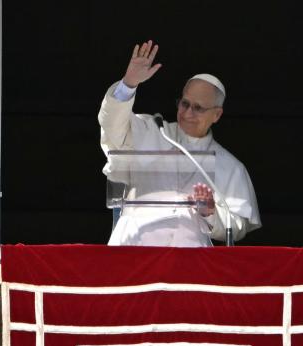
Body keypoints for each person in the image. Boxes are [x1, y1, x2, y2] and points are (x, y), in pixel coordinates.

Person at [99, 40, 261, 247]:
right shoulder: (152, 131)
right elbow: (111, 125)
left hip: (191, 259)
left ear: (217, 114)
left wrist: (210, 212)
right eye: (184, 104)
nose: (187, 113)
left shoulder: (230, 166)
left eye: (198, 108)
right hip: (135, 247)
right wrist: (128, 84)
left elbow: (237, 225)